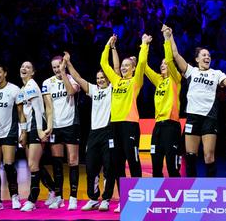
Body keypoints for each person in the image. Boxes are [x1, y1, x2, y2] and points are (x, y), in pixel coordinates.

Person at [168, 26, 226, 177]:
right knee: (191, 155)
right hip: (193, 116)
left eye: (209, 56)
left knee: (209, 156)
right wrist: (169, 36)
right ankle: (190, 188)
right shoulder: (190, 71)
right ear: (197, 59)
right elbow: (175, 54)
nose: (207, 57)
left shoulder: (216, 73)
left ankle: (210, 189)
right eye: (204, 55)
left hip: (209, 118)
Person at [100, 33, 150, 213]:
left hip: (130, 125)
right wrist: (108, 44)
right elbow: (103, 64)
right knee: (116, 163)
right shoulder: (116, 80)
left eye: (127, 66)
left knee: (133, 162)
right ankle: (124, 199)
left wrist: (144, 45)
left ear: (133, 68)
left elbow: (142, 64)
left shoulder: (135, 81)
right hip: (115, 125)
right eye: (122, 66)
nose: (123, 68)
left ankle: (136, 199)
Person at [61, 52, 114, 212]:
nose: (100, 80)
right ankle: (93, 198)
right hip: (93, 134)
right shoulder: (93, 90)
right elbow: (78, 78)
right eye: (98, 78)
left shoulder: (112, 88)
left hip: (108, 132)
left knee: (108, 167)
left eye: (102, 77)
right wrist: (69, 63)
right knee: (91, 167)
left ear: (108, 79)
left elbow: (116, 70)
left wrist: (113, 50)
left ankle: (106, 199)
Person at [143, 25, 183, 178]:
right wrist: (144, 46)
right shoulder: (159, 80)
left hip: (171, 125)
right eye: (161, 65)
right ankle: (159, 200)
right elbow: (144, 68)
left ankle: (177, 199)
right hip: (158, 126)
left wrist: (166, 39)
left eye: (165, 64)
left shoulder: (175, 78)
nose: (163, 65)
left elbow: (170, 59)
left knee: (172, 167)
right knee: (156, 165)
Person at [42, 55, 81, 210]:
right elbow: (47, 107)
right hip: (55, 127)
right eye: (54, 67)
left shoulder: (72, 78)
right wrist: (49, 126)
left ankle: (73, 197)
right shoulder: (47, 83)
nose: (57, 69)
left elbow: (71, 92)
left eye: (59, 66)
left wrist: (64, 73)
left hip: (71, 125)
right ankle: (58, 197)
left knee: (72, 162)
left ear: (63, 65)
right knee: (57, 163)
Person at [0, 65, 24, 211]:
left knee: (8, 165)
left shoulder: (14, 89)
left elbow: (20, 112)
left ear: (5, 73)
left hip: (9, 132)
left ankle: (14, 197)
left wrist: (23, 131)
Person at [15, 61, 51, 212]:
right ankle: (55, 190)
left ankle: (32, 199)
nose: (24, 68)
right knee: (35, 164)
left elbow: (37, 110)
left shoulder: (31, 86)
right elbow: (22, 114)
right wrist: (23, 133)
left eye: (28, 67)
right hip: (30, 127)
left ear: (33, 72)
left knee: (32, 165)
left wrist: (40, 130)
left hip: (37, 125)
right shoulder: (23, 89)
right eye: (22, 66)